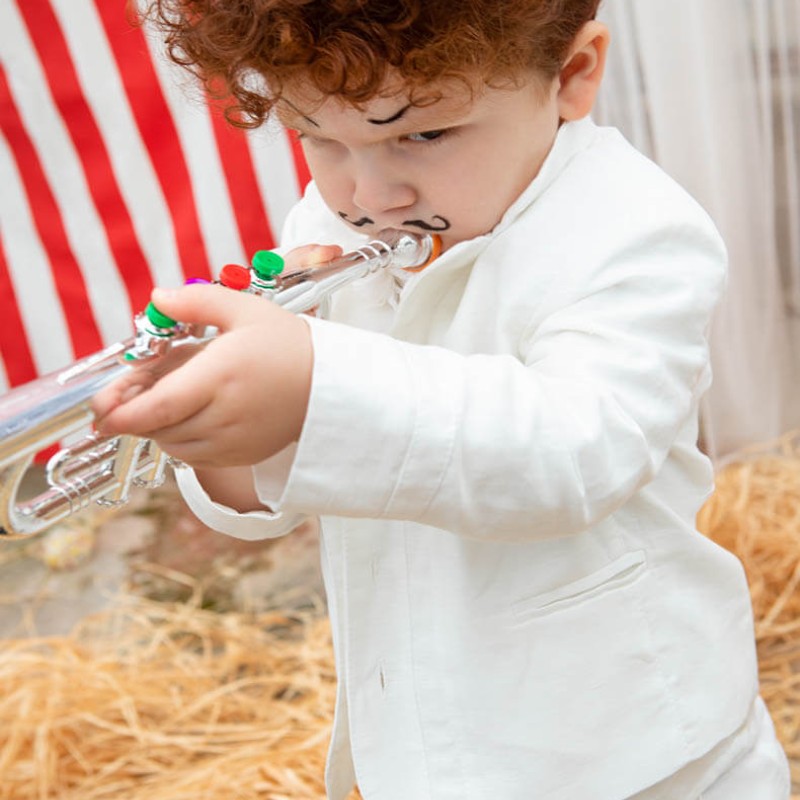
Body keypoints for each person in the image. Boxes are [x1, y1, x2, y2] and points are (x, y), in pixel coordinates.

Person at [92, 0, 791, 797]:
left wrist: (315, 387)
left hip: (639, 751)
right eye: (316, 135)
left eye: (419, 134)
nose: (371, 195)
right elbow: (282, 485)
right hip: (427, 742)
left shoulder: (634, 229)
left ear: (572, 75)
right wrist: (223, 428)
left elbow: (576, 451)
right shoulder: (331, 217)